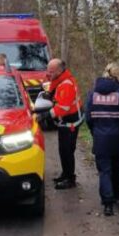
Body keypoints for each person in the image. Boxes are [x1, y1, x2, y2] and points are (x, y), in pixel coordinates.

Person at [85, 63, 119, 216]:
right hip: (118, 139)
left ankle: (107, 203)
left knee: (104, 171)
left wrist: (95, 132)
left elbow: (88, 117)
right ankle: (116, 195)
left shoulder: (93, 94)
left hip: (100, 138)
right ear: (118, 76)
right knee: (117, 167)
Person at [37, 59, 84, 189]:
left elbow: (63, 108)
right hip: (67, 121)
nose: (48, 73)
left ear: (59, 71)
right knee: (63, 150)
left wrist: (45, 115)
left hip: (71, 123)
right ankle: (65, 174)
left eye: (51, 71)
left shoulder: (66, 84)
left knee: (67, 151)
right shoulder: (60, 80)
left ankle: (70, 179)